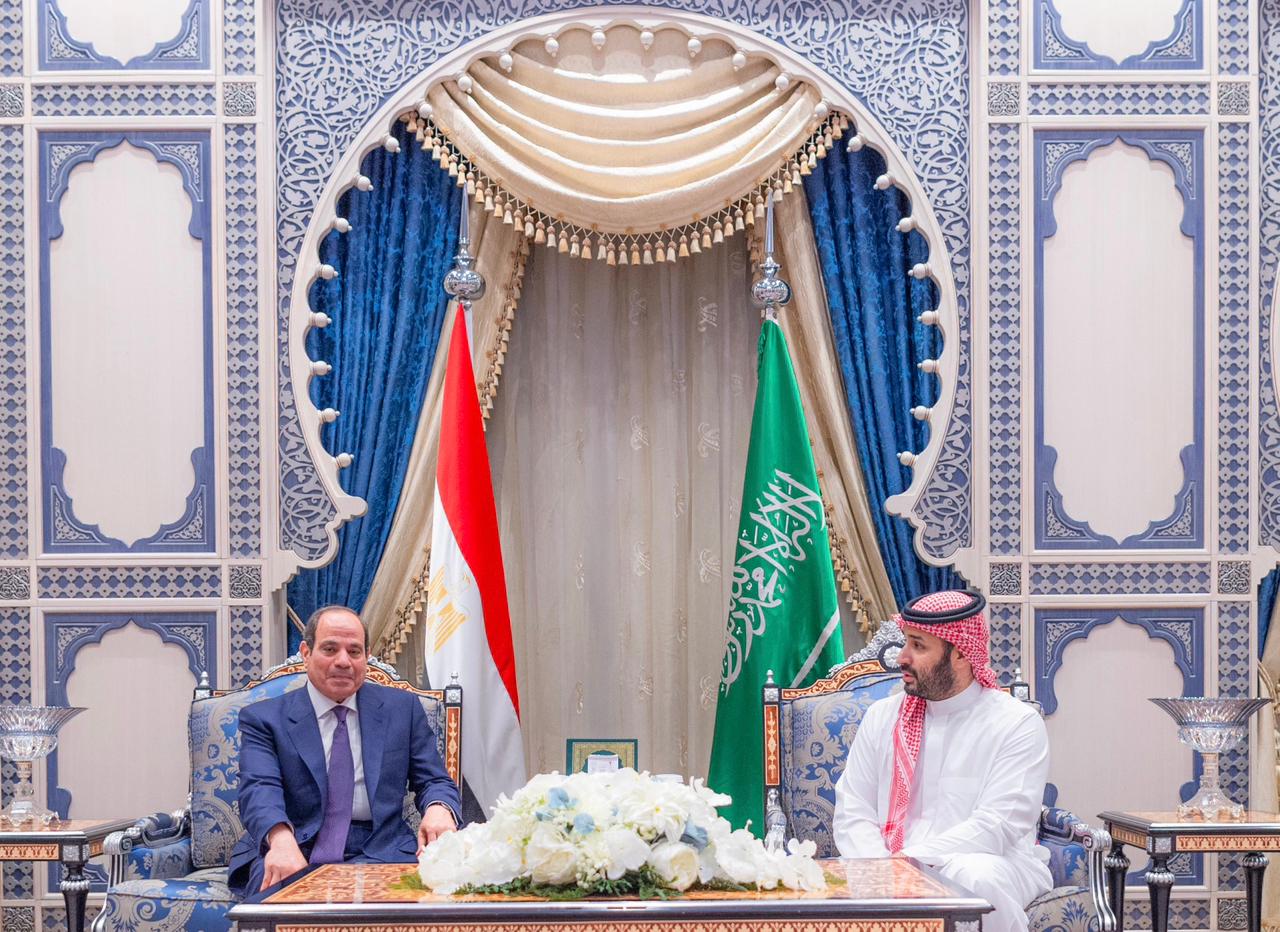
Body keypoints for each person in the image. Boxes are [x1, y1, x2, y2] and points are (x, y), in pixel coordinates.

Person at [833, 590, 1051, 932]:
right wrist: (881, 868)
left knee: (974, 876)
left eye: (918, 646)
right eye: (906, 642)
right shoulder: (882, 717)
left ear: (961, 654)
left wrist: (912, 861)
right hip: (886, 863)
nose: (902, 657)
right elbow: (853, 809)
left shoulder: (1015, 723)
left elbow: (998, 825)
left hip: (993, 861)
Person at [229, 605, 461, 895]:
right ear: (306, 652)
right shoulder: (265, 718)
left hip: (382, 847)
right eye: (330, 649)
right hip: (295, 842)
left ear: (366, 657)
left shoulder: (402, 710)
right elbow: (259, 787)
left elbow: (434, 780)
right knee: (276, 900)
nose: (343, 661)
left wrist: (439, 808)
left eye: (354, 651)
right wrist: (279, 838)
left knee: (426, 903)